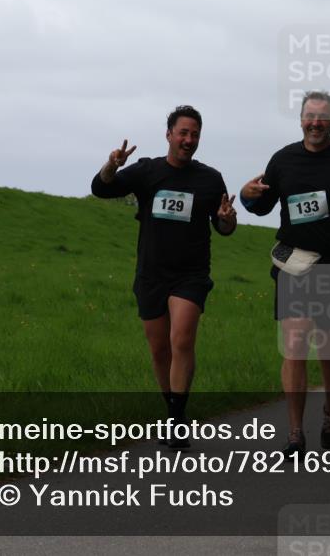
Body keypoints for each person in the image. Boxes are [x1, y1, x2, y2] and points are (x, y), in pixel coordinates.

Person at [240, 91, 330, 457]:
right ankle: (294, 433)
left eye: (323, 117)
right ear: (301, 119)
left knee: (326, 342)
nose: (315, 123)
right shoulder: (283, 160)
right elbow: (259, 206)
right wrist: (245, 196)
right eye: (310, 116)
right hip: (294, 263)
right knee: (294, 343)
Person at [91, 106, 236, 449]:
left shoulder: (210, 179)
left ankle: (176, 420)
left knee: (181, 339)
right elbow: (101, 188)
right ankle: (173, 411)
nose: (189, 140)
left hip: (191, 274)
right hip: (152, 274)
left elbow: (224, 227)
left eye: (195, 135)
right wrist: (112, 165)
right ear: (169, 134)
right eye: (183, 133)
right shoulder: (148, 171)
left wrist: (228, 218)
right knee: (159, 350)